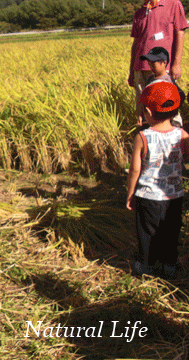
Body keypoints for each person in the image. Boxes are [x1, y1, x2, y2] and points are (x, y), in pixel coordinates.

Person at [126, 81, 189, 280]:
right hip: (174, 196)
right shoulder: (183, 135)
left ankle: (147, 266)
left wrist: (130, 194)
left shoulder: (142, 137)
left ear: (148, 112)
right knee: (171, 232)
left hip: (148, 196)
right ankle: (169, 266)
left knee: (146, 233)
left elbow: (135, 170)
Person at [127, 0, 188, 126]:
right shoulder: (139, 12)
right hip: (140, 68)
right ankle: (147, 140)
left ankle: (176, 139)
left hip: (162, 68)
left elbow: (180, 34)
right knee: (144, 110)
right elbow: (135, 44)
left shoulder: (174, 4)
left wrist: (176, 64)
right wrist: (132, 71)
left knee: (167, 106)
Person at [139, 46, 185, 127]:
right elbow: (145, 100)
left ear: (164, 62)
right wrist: (141, 115)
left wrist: (171, 112)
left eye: (153, 64)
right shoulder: (150, 79)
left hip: (171, 119)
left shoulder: (169, 80)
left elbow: (181, 95)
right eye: (149, 64)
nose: (151, 67)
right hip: (155, 119)